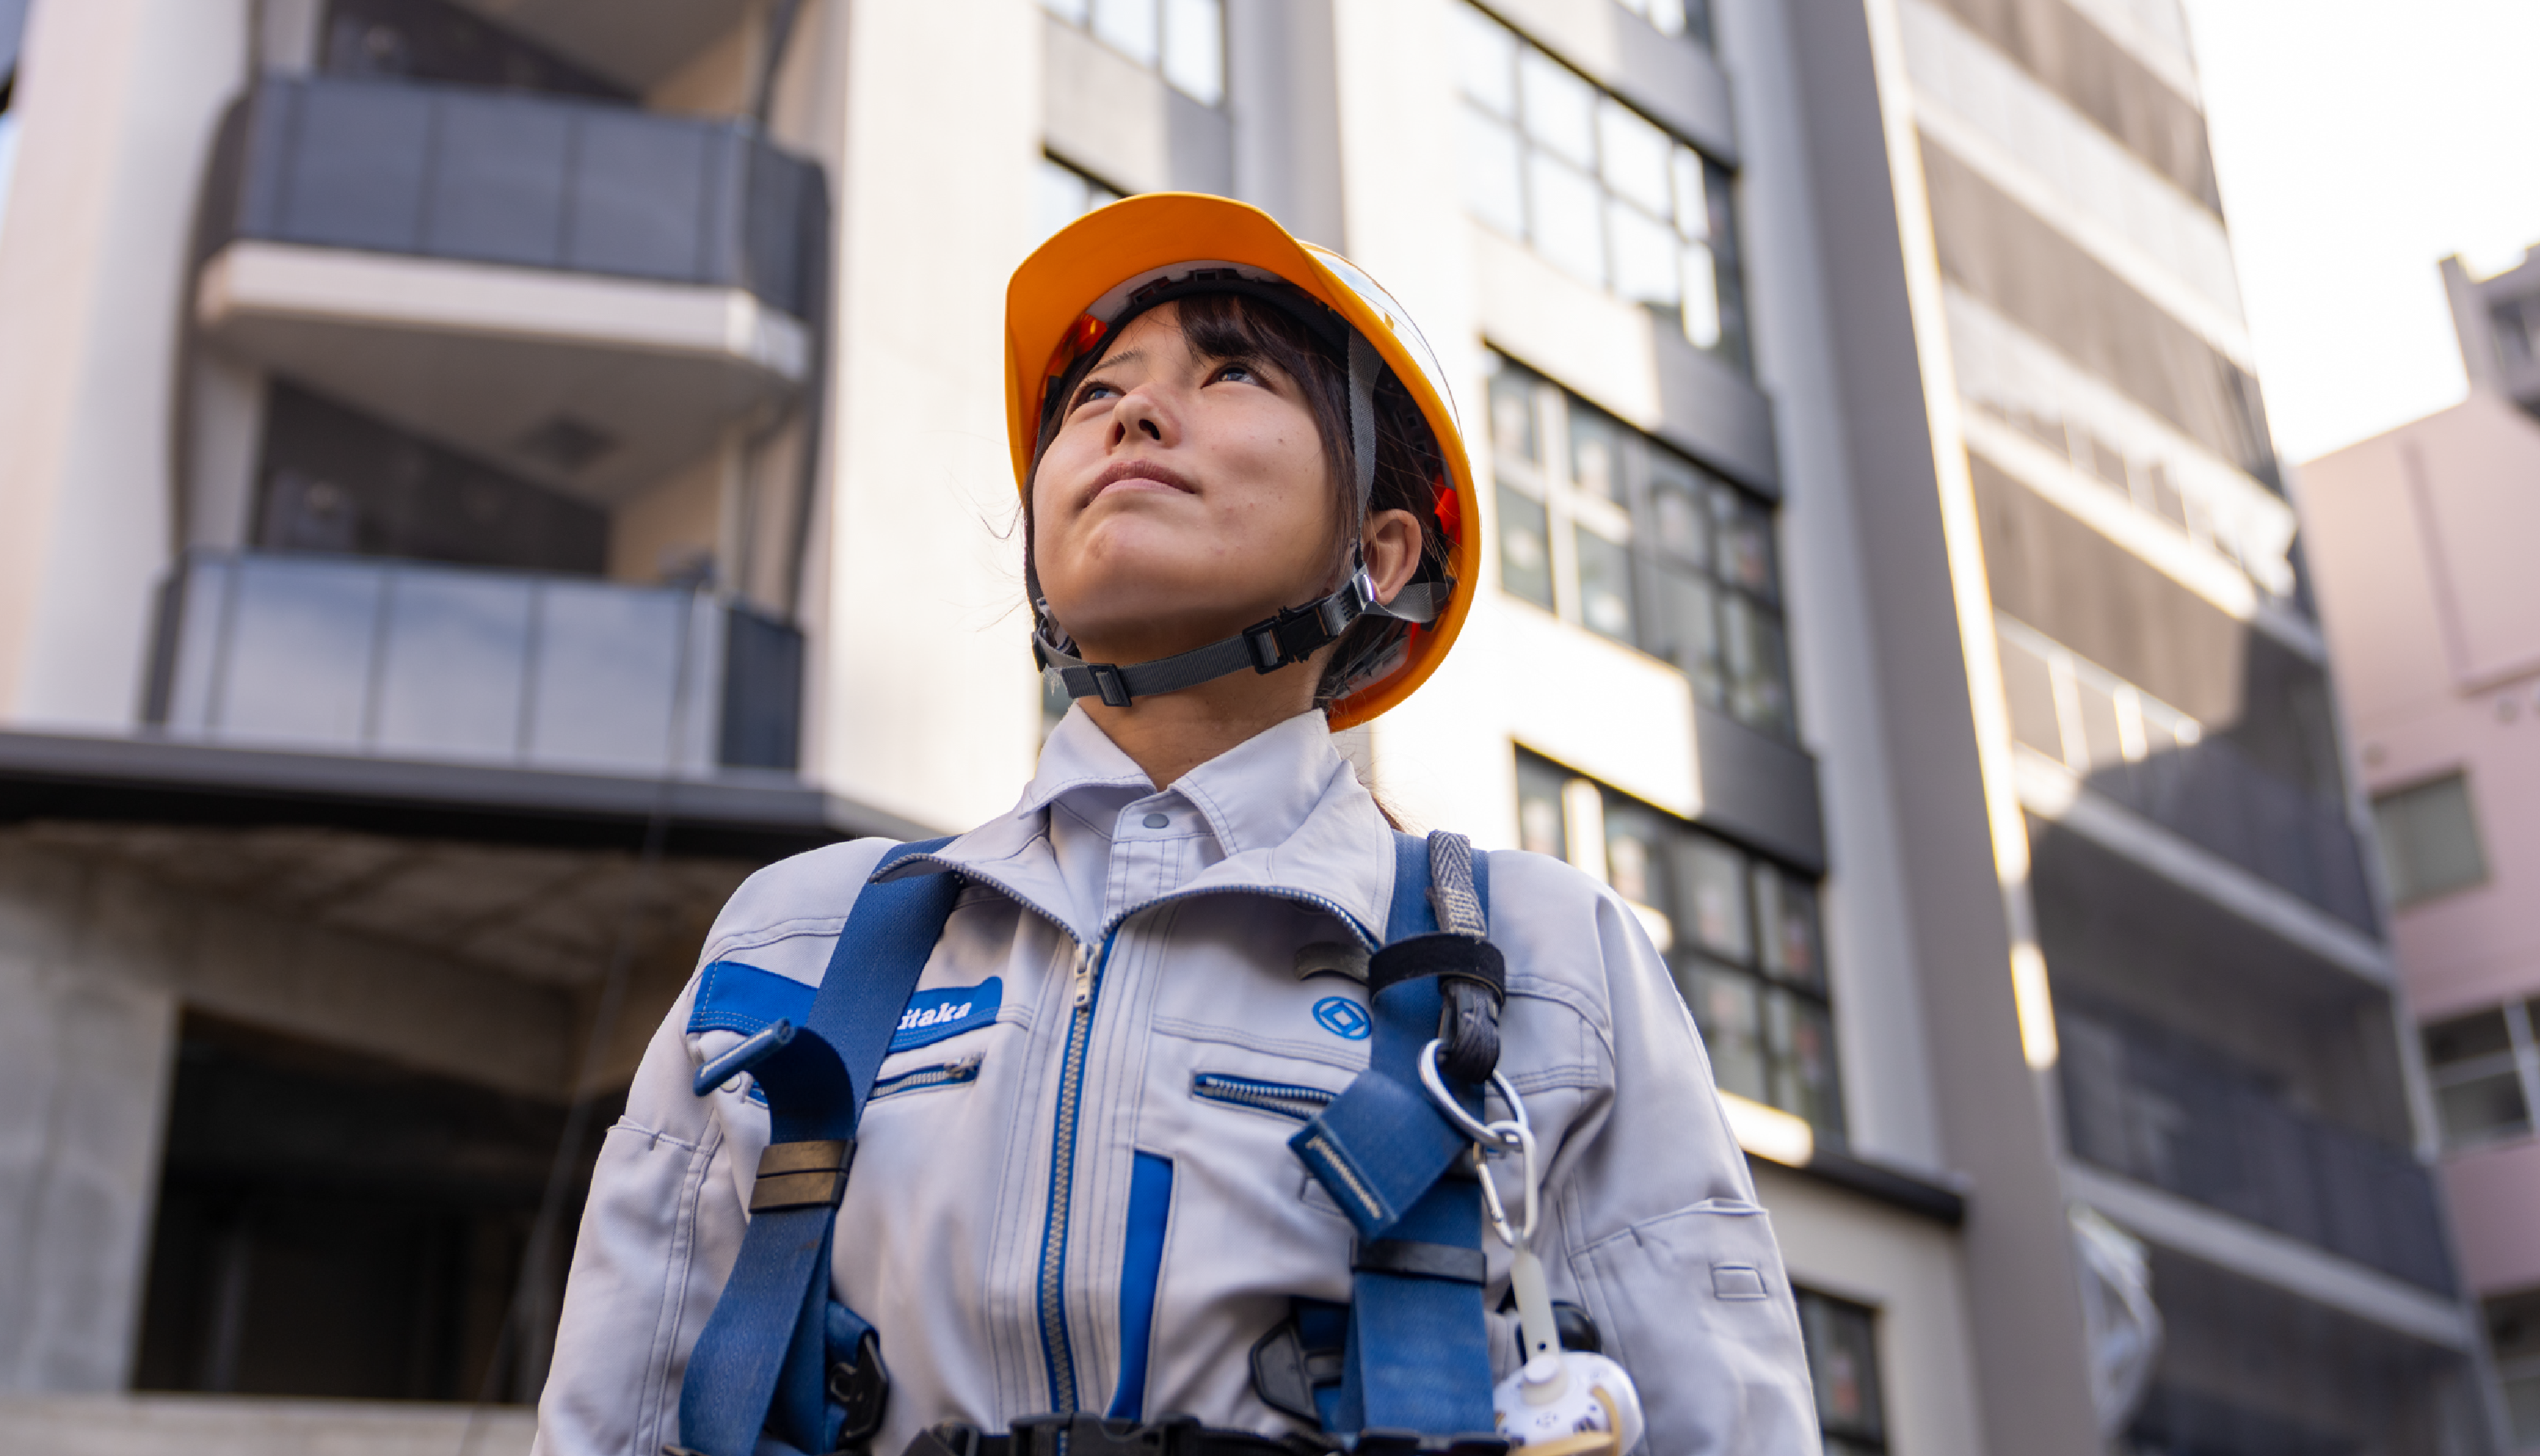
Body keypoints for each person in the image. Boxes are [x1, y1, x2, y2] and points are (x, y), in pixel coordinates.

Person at [533, 194, 1819, 1456]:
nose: (1133, 411)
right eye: (1096, 396)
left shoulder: (1547, 964)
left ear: (1377, 557)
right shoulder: (796, 940)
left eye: (1234, 373)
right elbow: (613, 1420)